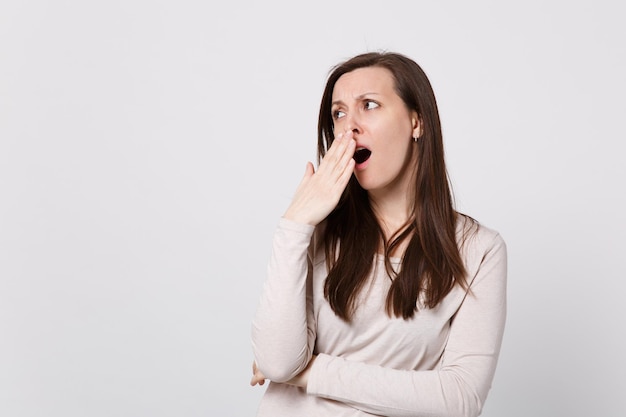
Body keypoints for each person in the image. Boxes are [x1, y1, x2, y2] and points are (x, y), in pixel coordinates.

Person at [249, 51, 507, 417]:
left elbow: (459, 399)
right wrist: (294, 224)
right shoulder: (313, 232)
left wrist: (308, 371)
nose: (348, 127)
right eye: (338, 113)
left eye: (369, 105)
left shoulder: (478, 249)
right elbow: (277, 363)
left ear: (417, 122)